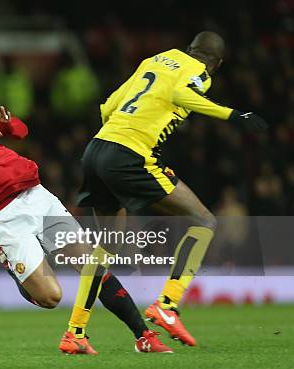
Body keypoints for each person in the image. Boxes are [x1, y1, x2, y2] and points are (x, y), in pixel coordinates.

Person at [0, 93, 172, 354]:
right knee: (50, 298)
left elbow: (20, 132)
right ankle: (13, 266)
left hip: (37, 198)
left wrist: (7, 125)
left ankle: (143, 336)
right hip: (4, 220)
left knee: (93, 267)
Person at [77, 31, 268, 346]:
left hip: (96, 149)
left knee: (107, 245)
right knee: (205, 220)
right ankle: (167, 305)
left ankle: (75, 332)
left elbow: (107, 106)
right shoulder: (199, 73)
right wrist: (232, 115)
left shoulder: (154, 60)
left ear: (190, 47)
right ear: (216, 64)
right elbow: (183, 95)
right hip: (129, 155)